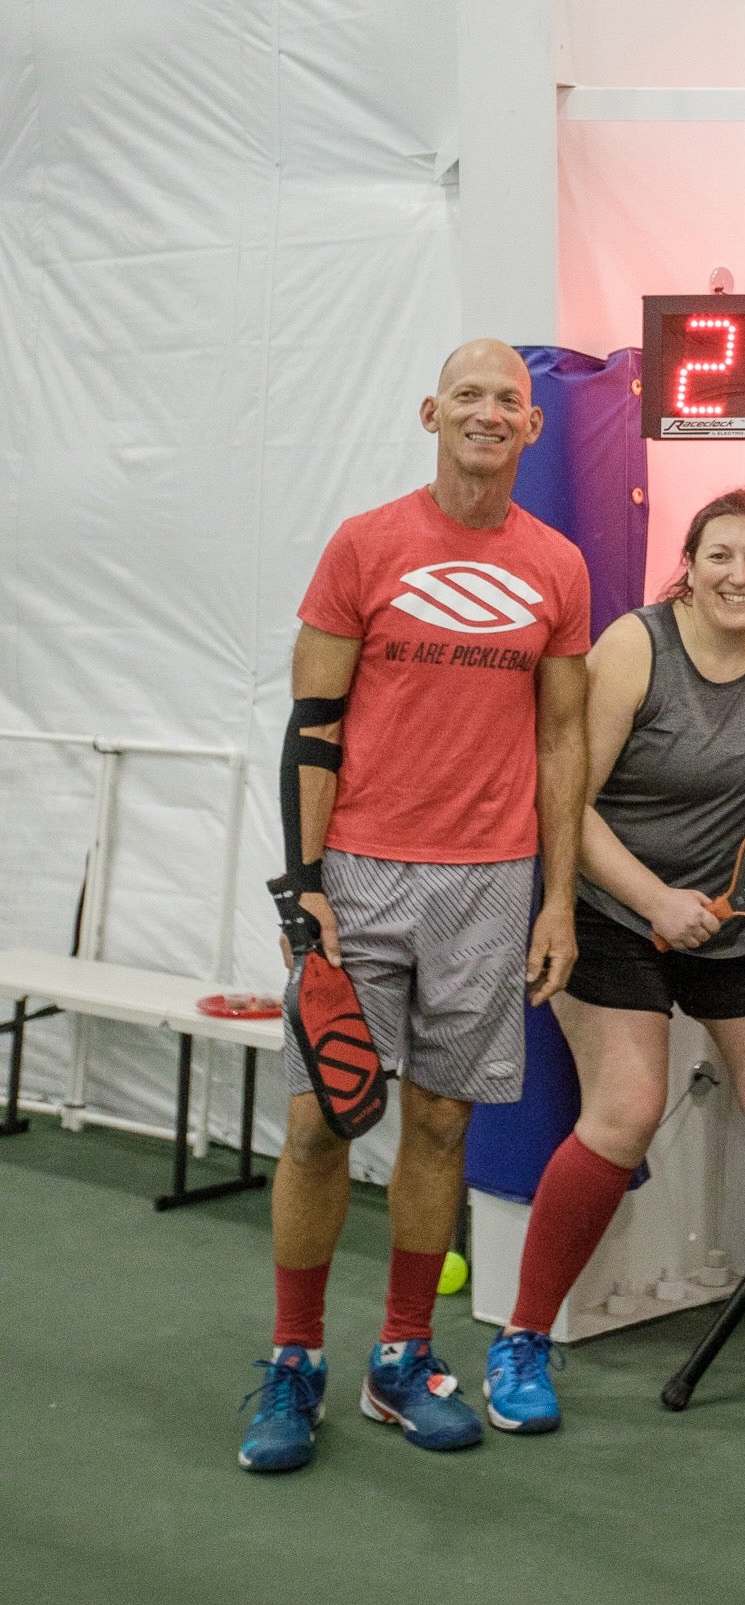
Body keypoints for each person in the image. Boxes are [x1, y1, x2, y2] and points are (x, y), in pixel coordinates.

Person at [481, 488, 745, 1433]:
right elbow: (567, 800)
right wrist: (653, 903)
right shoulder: (636, 648)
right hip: (610, 908)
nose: (740, 574)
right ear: (690, 562)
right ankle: (522, 1338)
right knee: (625, 1110)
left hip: (734, 920)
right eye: (721, 556)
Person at [238, 340, 590, 1473]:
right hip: (361, 872)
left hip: (492, 883)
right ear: (432, 412)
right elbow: (312, 723)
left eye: (512, 402)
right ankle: (294, 1359)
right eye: (472, 396)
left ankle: (403, 1356)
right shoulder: (366, 543)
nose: (491, 414)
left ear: (532, 430)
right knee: (318, 1121)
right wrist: (302, 891)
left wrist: (558, 900)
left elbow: (563, 739)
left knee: (441, 1122)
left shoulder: (558, 565)